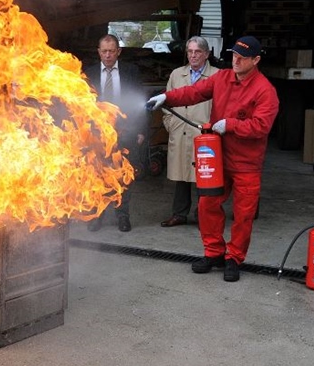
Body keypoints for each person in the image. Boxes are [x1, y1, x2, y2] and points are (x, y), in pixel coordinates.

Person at [146, 35, 279, 282]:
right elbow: (194, 92)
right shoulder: (223, 78)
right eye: (233, 55)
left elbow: (261, 126)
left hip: (246, 164)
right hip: (219, 159)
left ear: (256, 60)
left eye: (242, 57)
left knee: (243, 214)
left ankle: (234, 258)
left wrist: (230, 124)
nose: (236, 60)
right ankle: (214, 252)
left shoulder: (264, 91)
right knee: (207, 205)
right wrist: (167, 97)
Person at [84, 34, 147, 232]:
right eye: (104, 51)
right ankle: (97, 215)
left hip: (126, 132)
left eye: (112, 51)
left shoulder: (131, 71)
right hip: (98, 134)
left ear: (119, 51)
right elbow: (83, 106)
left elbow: (140, 102)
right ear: (99, 52)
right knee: (97, 175)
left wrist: (141, 130)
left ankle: (122, 216)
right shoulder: (89, 73)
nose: (108, 55)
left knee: (124, 176)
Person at [160, 36, 218, 228]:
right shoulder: (177, 74)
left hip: (204, 136)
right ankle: (179, 214)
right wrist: (170, 124)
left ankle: (204, 215)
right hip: (180, 131)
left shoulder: (217, 76)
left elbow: (221, 106)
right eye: (190, 52)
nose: (193, 56)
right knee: (181, 176)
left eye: (198, 52)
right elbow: (166, 104)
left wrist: (214, 131)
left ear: (206, 54)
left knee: (205, 177)